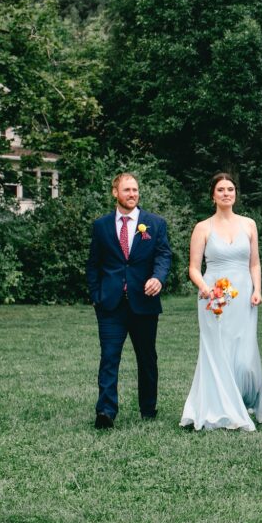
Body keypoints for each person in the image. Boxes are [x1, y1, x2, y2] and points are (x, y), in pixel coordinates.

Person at [180, 173, 262, 431]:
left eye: (230, 189)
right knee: (216, 351)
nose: (226, 193)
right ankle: (218, 408)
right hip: (214, 298)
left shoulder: (249, 224)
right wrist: (204, 288)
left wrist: (257, 289)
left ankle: (242, 400)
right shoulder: (203, 228)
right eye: (221, 189)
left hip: (243, 297)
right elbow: (194, 268)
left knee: (244, 355)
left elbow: (254, 262)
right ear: (213, 195)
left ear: (235, 194)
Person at [86, 173, 172, 429]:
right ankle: (105, 411)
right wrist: (96, 296)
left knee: (146, 358)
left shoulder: (154, 224)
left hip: (144, 302)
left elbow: (163, 255)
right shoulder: (101, 226)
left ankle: (148, 408)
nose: (132, 194)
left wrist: (158, 278)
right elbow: (93, 264)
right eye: (127, 190)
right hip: (110, 304)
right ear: (115, 192)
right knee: (109, 358)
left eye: (135, 190)